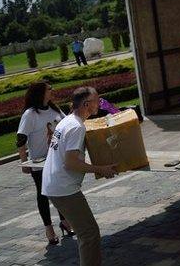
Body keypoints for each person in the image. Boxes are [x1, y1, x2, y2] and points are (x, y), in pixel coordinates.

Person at [41, 86, 118, 266]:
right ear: (86, 104)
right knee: (89, 234)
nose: (99, 103)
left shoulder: (67, 121)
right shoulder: (76, 127)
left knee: (87, 232)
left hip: (56, 184)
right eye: (96, 100)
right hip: (63, 188)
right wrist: (101, 169)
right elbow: (71, 163)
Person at [16, 81, 72, 245]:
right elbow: (21, 138)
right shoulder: (31, 114)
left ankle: (65, 222)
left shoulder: (54, 109)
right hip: (39, 163)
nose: (52, 91)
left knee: (61, 191)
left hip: (57, 159)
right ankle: (49, 229)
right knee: (43, 195)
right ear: (40, 93)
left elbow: (66, 123)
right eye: (49, 89)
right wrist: (24, 162)